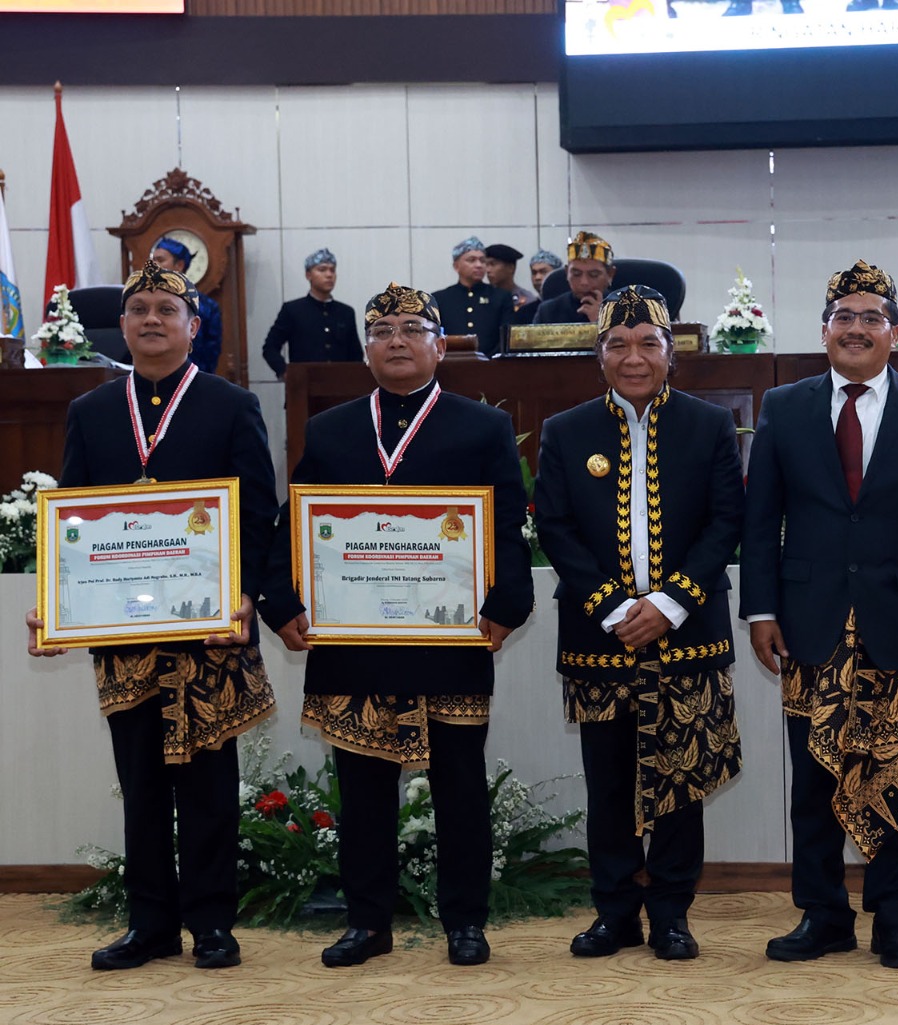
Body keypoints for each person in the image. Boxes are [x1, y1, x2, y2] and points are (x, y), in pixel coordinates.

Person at [260, 282, 534, 968]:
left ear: (440, 345)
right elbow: (295, 525)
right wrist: (282, 603)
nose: (397, 341)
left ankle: (465, 922)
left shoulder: (481, 426)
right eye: (382, 329)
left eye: (413, 328)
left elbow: (506, 526)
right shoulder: (330, 429)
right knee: (363, 790)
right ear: (366, 349)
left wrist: (507, 607)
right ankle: (367, 922)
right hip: (357, 643)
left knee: (461, 788)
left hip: (450, 637)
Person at [26, 259, 278, 971]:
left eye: (166, 312)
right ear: (124, 327)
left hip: (207, 630)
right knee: (139, 783)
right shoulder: (93, 411)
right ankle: (150, 925)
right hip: (125, 630)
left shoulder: (232, 405)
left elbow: (258, 512)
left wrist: (248, 596)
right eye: (138, 310)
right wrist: (56, 606)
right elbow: (72, 522)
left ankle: (213, 924)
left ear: (193, 328)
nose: (149, 321)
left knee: (207, 786)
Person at [742, 259, 898, 970]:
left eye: (873, 317)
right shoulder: (785, 406)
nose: (857, 327)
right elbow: (762, 520)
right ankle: (822, 915)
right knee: (812, 778)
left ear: (895, 335)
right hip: (809, 620)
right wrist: (760, 609)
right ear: (824, 332)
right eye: (844, 316)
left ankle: (896, 918)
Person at [535, 285, 744, 962]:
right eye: (618, 345)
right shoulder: (566, 431)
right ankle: (616, 912)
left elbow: (725, 524)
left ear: (671, 353)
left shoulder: (710, 426)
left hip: (690, 634)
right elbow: (555, 528)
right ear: (599, 354)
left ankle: (673, 915)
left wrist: (671, 603)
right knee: (611, 783)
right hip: (602, 640)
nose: (633, 358)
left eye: (648, 344)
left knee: (682, 783)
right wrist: (617, 607)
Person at [260, 248, 363, 380]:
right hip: (303, 389)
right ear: (308, 275)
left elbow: (356, 355)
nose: (329, 274)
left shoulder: (346, 312)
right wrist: (285, 372)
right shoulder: (292, 310)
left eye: (332, 270)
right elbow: (270, 347)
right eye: (322, 269)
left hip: (341, 389)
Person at [149, 236, 225, 374]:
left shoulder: (206, 307)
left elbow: (211, 354)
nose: (153, 266)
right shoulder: (144, 303)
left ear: (179, 266)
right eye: (152, 260)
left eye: (160, 260)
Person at [432, 236, 515, 355]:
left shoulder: (501, 297)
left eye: (482, 260)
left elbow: (506, 337)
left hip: (491, 366)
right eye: (471, 260)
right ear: (456, 266)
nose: (479, 265)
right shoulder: (440, 299)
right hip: (450, 363)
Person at [532, 231, 619, 325]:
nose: (584, 282)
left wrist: (602, 323)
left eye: (593, 275)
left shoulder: (628, 310)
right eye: (576, 274)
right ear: (567, 273)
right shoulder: (548, 312)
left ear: (610, 274)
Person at [484, 243, 538, 314]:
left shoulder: (526, 300)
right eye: (486, 265)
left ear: (511, 268)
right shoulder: (483, 296)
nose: (488, 270)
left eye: (493, 264)